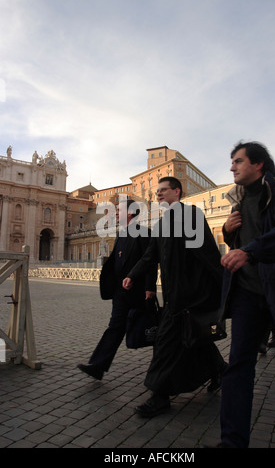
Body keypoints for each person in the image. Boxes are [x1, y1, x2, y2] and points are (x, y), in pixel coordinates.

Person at [123, 176, 227, 417]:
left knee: (165, 343)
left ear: (177, 192)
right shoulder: (161, 223)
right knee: (191, 337)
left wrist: (217, 288)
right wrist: (133, 275)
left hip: (189, 295)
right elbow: (150, 255)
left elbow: (207, 254)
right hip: (173, 295)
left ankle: (159, 397)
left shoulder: (191, 216)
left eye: (163, 190)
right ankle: (220, 369)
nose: (158, 195)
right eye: (157, 191)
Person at [219, 141, 275, 448]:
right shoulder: (236, 203)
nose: (232, 167)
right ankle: (232, 443)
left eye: (238, 161)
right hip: (247, 297)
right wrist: (228, 231)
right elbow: (239, 246)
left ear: (259, 165)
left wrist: (250, 252)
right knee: (238, 367)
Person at [77, 199, 157, 380]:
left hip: (139, 291)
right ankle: (98, 366)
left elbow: (150, 261)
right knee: (115, 327)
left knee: (153, 330)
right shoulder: (121, 235)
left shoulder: (145, 233)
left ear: (130, 213)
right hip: (121, 292)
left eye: (118, 210)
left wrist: (150, 288)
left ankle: (164, 370)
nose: (115, 214)